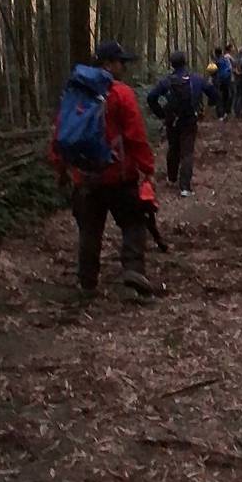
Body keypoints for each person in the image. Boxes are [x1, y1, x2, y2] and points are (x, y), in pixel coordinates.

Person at [50, 40, 156, 298]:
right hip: (119, 175)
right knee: (133, 223)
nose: (123, 68)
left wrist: (61, 169)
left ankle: (87, 283)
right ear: (107, 64)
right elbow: (135, 136)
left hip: (85, 177)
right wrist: (147, 167)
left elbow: (61, 133)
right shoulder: (120, 93)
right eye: (121, 62)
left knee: (89, 230)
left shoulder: (75, 92)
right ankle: (132, 270)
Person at [147, 50, 217, 198]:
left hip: (172, 120)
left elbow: (151, 97)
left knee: (173, 148)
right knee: (187, 151)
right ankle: (185, 187)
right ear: (185, 62)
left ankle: (172, 179)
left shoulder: (166, 81)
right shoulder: (196, 79)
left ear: (171, 64)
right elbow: (213, 93)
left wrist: (161, 113)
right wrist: (210, 105)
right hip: (190, 120)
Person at [212, 47, 232, 119]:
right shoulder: (226, 59)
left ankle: (220, 115)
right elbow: (230, 69)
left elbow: (211, 71)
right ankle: (226, 112)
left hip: (218, 82)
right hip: (227, 81)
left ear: (216, 53)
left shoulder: (216, 61)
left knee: (219, 98)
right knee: (226, 97)